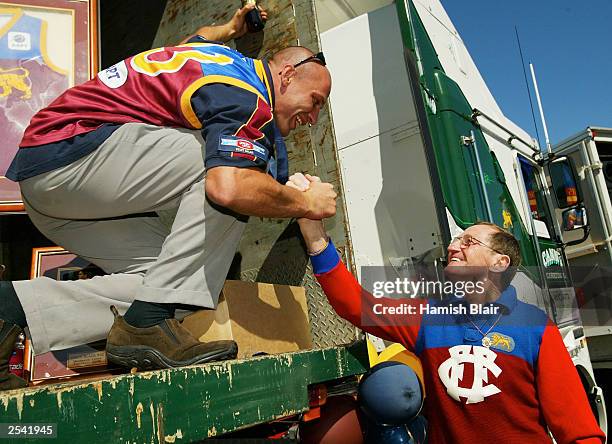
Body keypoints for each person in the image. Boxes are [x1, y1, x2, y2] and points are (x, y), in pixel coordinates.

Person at [0, 5, 337, 390]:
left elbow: (200, 38)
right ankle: (147, 322)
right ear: (288, 75)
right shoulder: (246, 97)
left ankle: (11, 310)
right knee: (236, 172)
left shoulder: (213, 57)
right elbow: (227, 186)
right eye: (315, 102)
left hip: (58, 194)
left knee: (170, 282)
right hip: (67, 157)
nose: (312, 117)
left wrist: (231, 27)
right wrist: (306, 204)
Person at [286, 173, 605, 443]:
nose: (453, 246)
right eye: (455, 240)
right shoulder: (429, 317)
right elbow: (355, 305)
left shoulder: (536, 327)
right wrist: (315, 236)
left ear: (499, 262)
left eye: (468, 242)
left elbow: (579, 434)